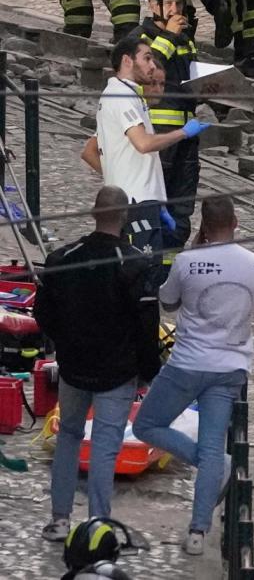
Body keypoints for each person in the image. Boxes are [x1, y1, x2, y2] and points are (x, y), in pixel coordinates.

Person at [133, 195, 254, 557]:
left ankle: (215, 467)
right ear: (235, 222)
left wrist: (194, 254)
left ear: (204, 225)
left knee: (147, 425)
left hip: (188, 365)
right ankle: (197, 532)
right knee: (211, 448)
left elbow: (168, 302)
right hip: (230, 367)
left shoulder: (187, 261)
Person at [34, 187, 161, 541]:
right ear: (125, 217)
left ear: (93, 214)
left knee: (68, 437)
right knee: (105, 446)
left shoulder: (63, 259)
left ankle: (60, 519)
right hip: (117, 372)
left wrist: (65, 343)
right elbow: (147, 326)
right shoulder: (135, 265)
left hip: (73, 367)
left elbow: (42, 313)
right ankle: (98, 525)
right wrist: (147, 370)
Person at [96, 36, 210, 284]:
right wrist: (183, 132)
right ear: (127, 60)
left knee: (138, 274)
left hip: (141, 200)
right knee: (145, 277)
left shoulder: (127, 94)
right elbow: (144, 143)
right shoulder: (122, 96)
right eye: (146, 58)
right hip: (137, 203)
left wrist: (155, 199)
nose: (151, 65)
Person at [138, 0, 202, 269]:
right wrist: (169, 37)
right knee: (152, 202)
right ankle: (146, 265)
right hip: (157, 135)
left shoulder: (186, 39)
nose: (176, 9)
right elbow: (146, 71)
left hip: (187, 134)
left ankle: (169, 268)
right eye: (169, 3)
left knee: (181, 204)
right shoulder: (140, 39)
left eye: (180, 3)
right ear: (153, 5)